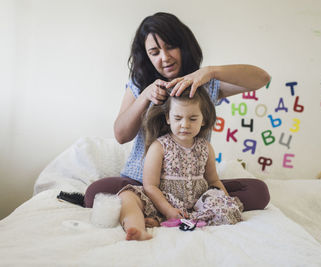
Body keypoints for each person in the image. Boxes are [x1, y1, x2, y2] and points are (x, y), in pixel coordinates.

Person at [83, 12, 270, 218]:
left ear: (184, 45)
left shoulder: (205, 86)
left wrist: (211, 71)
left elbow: (262, 78)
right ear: (147, 56)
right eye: (155, 52)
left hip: (194, 188)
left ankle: (185, 208)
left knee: (259, 192)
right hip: (144, 184)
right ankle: (156, 206)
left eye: (170, 46)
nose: (164, 57)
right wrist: (145, 96)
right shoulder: (138, 84)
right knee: (94, 194)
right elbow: (121, 135)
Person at [120, 87, 243, 240]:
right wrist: (168, 210)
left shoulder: (205, 147)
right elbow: (150, 186)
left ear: (203, 120)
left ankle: (180, 220)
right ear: (168, 118)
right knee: (127, 196)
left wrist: (226, 200)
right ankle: (137, 228)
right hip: (164, 202)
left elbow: (213, 181)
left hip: (198, 204)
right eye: (178, 118)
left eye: (192, 119)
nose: (185, 124)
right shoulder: (159, 147)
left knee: (228, 206)